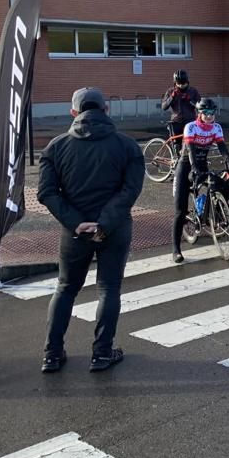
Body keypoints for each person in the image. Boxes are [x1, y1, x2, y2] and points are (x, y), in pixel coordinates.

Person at [38, 87, 145, 373]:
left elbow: (47, 193)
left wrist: (76, 223)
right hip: (115, 228)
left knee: (65, 288)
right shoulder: (127, 146)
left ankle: (52, 354)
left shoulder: (55, 147)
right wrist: (104, 223)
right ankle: (101, 353)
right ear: (105, 110)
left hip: (74, 231)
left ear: (74, 113)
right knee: (108, 288)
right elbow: (130, 190)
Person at [171, 98, 229, 264]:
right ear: (199, 114)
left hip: (202, 164)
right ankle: (176, 250)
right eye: (205, 113)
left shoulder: (216, 128)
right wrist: (194, 168)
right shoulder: (191, 127)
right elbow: (191, 150)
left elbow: (223, 149)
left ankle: (213, 213)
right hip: (186, 165)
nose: (209, 116)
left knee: (221, 184)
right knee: (180, 211)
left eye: (211, 113)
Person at [161, 70, 200, 152]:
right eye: (179, 84)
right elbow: (164, 107)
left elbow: (199, 106)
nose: (181, 86)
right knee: (177, 146)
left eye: (183, 84)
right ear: (175, 82)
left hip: (190, 121)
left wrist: (190, 100)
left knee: (191, 143)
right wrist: (172, 97)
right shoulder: (170, 91)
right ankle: (176, 160)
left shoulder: (193, 91)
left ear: (187, 81)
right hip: (176, 121)